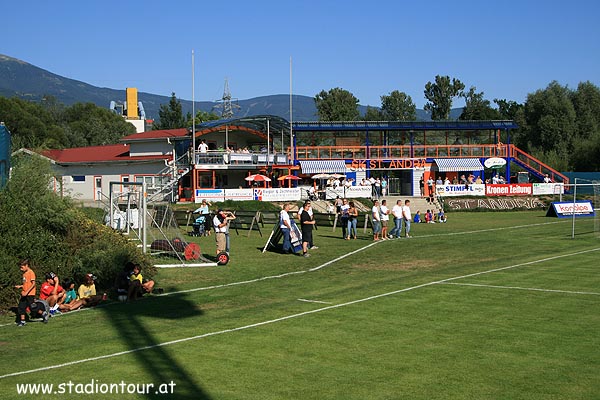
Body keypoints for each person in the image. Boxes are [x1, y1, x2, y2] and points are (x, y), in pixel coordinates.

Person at [15, 259, 36, 327]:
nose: (21, 269)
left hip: (30, 294)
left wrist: (27, 292)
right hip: (24, 294)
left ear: (26, 265)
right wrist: (20, 286)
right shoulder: (24, 274)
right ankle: (23, 321)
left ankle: (43, 312)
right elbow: (26, 284)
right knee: (21, 306)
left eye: (22, 267)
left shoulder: (31, 272)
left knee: (32, 307)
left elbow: (33, 284)